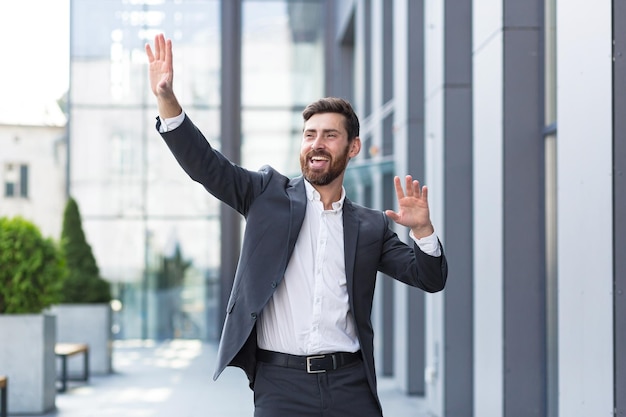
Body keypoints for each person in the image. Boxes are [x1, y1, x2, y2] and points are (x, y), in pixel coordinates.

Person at [146, 33, 448, 417]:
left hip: (350, 384)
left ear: (352, 147)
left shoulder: (370, 225)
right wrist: (167, 100)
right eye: (310, 135)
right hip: (281, 385)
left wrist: (422, 232)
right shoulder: (264, 194)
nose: (316, 144)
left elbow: (429, 277)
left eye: (330, 135)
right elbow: (207, 165)